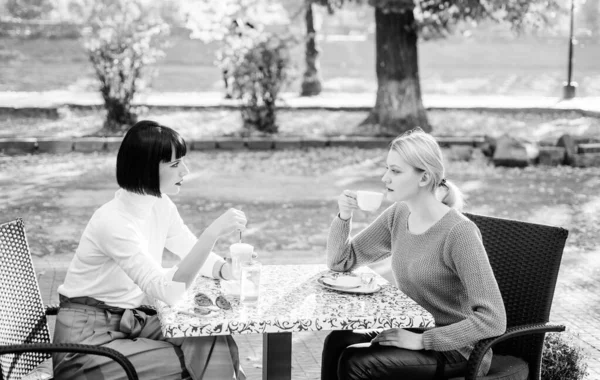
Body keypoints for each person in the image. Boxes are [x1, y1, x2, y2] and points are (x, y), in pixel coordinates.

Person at [53, 120, 248, 379]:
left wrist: (225, 269)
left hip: (129, 324)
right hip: (85, 346)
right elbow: (168, 292)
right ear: (146, 169)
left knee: (210, 335)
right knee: (195, 359)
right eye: (175, 164)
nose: (185, 171)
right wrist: (211, 234)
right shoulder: (113, 222)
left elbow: (187, 247)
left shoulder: (159, 204)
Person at [321, 128, 506, 380]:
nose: (385, 178)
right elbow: (341, 261)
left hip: (457, 350)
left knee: (358, 362)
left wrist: (424, 341)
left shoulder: (459, 233)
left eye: (395, 171)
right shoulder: (399, 214)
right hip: (412, 330)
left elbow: (493, 319)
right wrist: (344, 216)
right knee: (338, 340)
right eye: (387, 168)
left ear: (424, 178)